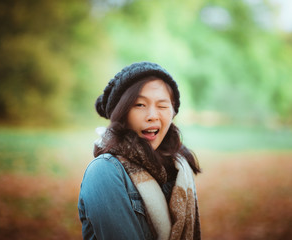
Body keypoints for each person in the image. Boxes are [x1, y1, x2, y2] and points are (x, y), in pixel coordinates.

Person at [78, 61, 201, 240]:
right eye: (140, 105)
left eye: (162, 106)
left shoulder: (179, 170)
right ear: (122, 113)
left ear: (173, 112)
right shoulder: (104, 171)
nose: (152, 116)